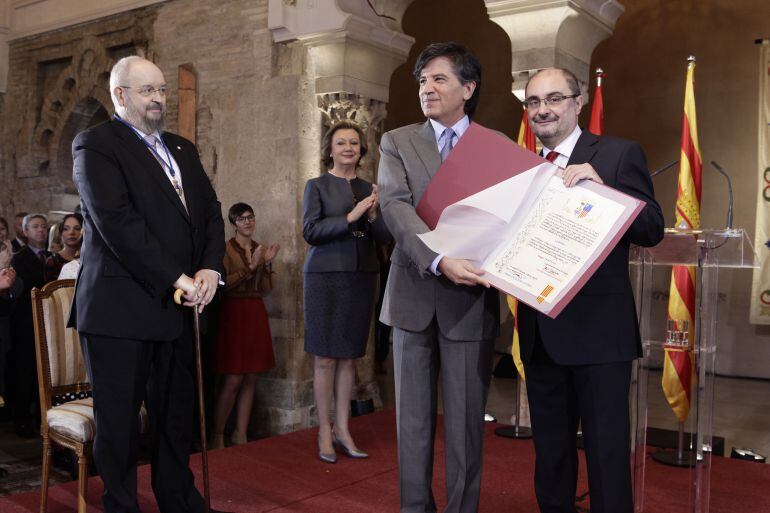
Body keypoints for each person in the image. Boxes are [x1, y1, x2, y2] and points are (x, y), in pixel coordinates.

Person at [71, 55, 225, 513]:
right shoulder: (95, 145)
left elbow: (211, 213)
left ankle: (178, 500)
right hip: (119, 309)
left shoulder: (181, 148)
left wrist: (209, 269)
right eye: (147, 91)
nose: (159, 99)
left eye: (161, 90)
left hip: (179, 307)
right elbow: (118, 224)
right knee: (118, 425)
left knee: (175, 416)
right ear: (120, 95)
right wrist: (177, 276)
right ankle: (121, 506)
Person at [516, 68, 664, 513]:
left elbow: (652, 229)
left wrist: (605, 191)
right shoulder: (521, 168)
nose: (543, 109)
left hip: (600, 335)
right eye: (534, 101)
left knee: (606, 454)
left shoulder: (617, 155)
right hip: (541, 332)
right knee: (552, 456)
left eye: (554, 98)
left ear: (577, 103)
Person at [377, 42, 499, 513]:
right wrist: (438, 258)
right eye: (423, 80)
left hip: (470, 300)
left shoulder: (494, 149)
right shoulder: (398, 140)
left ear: (467, 88)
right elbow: (393, 205)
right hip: (411, 294)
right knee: (412, 421)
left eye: (439, 79)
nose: (427, 88)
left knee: (467, 423)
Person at [302, 120, 391, 464]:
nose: (348, 148)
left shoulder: (371, 187)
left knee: (350, 357)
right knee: (325, 357)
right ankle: (324, 430)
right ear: (330, 148)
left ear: (361, 149)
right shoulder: (317, 185)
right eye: (341, 143)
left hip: (361, 276)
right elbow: (310, 230)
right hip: (325, 276)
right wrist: (352, 215)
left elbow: (384, 236)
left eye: (354, 143)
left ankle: (344, 428)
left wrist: (371, 216)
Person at [211, 202, 279, 449]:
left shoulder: (260, 248)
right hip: (233, 312)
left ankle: (241, 433)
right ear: (233, 224)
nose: (248, 222)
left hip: (255, 312)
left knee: (251, 376)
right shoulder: (226, 249)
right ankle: (217, 434)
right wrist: (251, 267)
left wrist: (268, 264)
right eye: (242, 219)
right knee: (232, 379)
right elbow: (223, 284)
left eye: (251, 217)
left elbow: (266, 289)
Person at [8, 214, 56, 438]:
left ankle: (42, 418)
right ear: (25, 232)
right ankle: (22, 420)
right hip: (26, 323)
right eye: (35, 227)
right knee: (24, 373)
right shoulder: (19, 259)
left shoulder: (51, 257)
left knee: (45, 373)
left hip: (49, 322)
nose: (41, 231)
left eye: (44, 227)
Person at [51, 213, 83, 277]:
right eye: (66, 229)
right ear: (60, 233)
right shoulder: (52, 261)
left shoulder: (87, 260)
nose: (71, 232)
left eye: (77, 229)